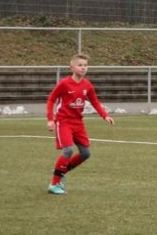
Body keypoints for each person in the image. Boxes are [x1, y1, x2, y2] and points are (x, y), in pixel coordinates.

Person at [45, 53, 115, 195]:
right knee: (68, 150)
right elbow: (51, 99)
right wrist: (51, 119)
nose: (83, 68)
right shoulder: (64, 83)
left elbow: (94, 101)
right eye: (80, 65)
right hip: (64, 121)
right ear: (72, 67)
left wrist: (105, 115)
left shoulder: (87, 85)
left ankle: (60, 172)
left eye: (85, 65)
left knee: (85, 153)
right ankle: (54, 183)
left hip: (78, 123)